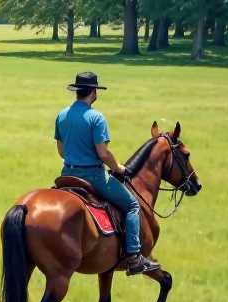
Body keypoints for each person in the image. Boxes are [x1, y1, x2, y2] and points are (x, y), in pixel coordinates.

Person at [55, 72, 160, 275]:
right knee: (132, 205)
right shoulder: (96, 117)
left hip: (67, 174)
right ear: (94, 92)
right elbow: (103, 153)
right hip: (93, 176)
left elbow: (61, 151)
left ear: (77, 91)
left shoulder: (62, 115)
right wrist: (118, 167)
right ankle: (134, 256)